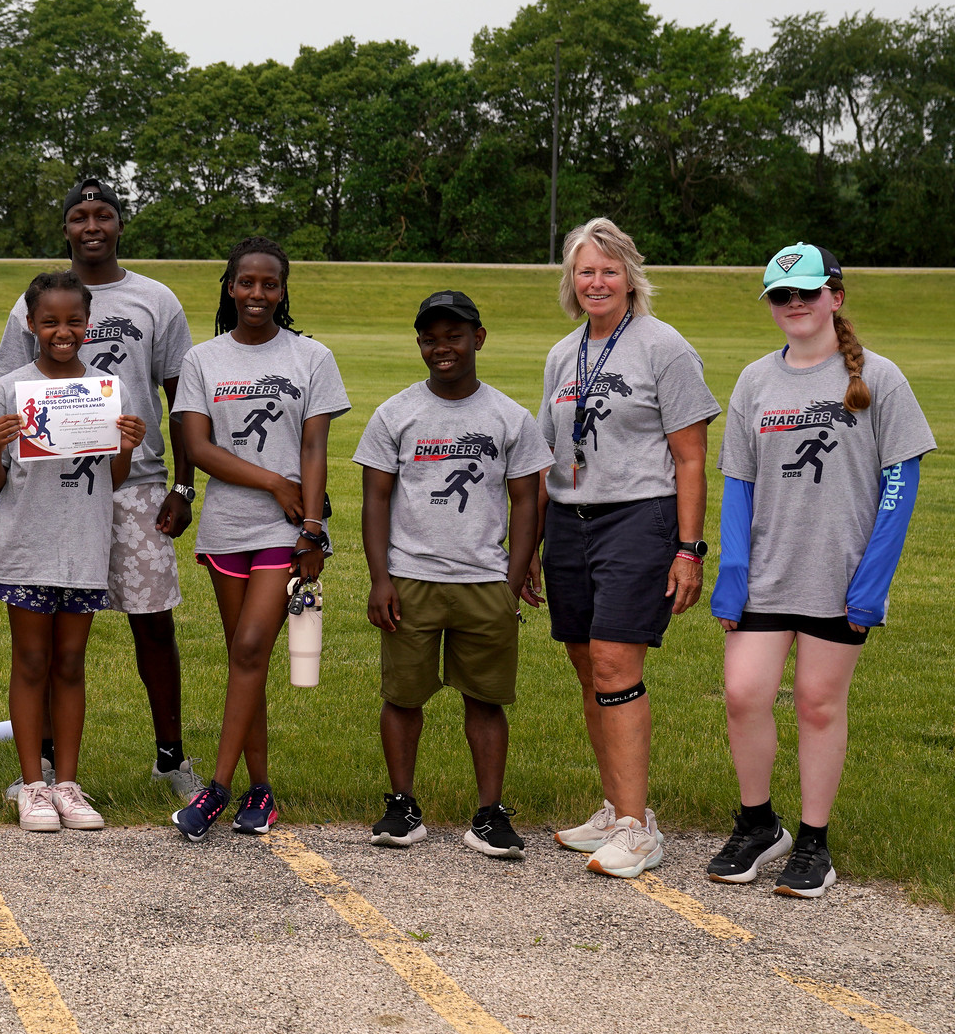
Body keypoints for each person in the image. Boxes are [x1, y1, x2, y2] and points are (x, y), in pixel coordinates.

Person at [707, 244, 934, 898]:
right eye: (781, 295)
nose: (795, 304)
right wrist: (733, 570)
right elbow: (739, 482)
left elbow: (901, 481)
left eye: (807, 291)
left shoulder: (879, 378)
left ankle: (814, 842)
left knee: (817, 704)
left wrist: (872, 580)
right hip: (768, 573)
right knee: (745, 694)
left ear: (836, 296)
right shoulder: (755, 380)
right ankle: (757, 824)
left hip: (839, 575)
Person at [0, 178, 198, 798]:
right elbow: (9, 389)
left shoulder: (154, 299)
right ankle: (47, 763)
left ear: (118, 224)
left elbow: (181, 402)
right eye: (79, 215)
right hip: (52, 491)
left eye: (103, 215)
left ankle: (170, 757)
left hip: (135, 483)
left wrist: (183, 488)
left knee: (152, 621)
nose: (92, 225)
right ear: (66, 228)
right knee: (53, 628)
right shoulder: (33, 304)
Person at [531, 218, 719, 878]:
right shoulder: (564, 354)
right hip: (569, 519)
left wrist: (689, 547)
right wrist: (531, 545)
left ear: (630, 276)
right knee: (588, 665)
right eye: (586, 270)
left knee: (615, 663)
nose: (597, 282)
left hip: (638, 517)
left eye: (609, 270)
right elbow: (548, 453)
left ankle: (639, 830)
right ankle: (617, 807)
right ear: (571, 280)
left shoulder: (663, 347)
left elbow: (690, 459)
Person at [353, 290, 550, 859]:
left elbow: (527, 502)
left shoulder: (508, 416)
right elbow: (376, 501)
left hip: (483, 580)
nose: (442, 347)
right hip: (411, 577)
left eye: (454, 336)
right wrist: (380, 578)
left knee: (485, 700)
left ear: (478, 339)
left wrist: (511, 580)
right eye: (430, 338)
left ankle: (489, 813)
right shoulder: (396, 413)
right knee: (403, 696)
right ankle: (402, 804)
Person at [168, 239, 349, 840]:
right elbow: (198, 449)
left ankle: (215, 790)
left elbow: (315, 446)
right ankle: (261, 791)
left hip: (285, 528)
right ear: (229, 286)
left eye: (269, 284)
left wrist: (312, 528)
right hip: (227, 528)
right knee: (246, 662)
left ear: (283, 290)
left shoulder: (312, 357)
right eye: (246, 282)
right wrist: (274, 480)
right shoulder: (203, 360)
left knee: (250, 650)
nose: (257, 294)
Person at [0, 271, 147, 834]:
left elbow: (116, 477)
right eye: (49, 321)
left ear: (88, 325)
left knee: (71, 664)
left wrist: (125, 445)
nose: (62, 331)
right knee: (31, 663)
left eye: (73, 321)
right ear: (30, 325)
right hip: (28, 548)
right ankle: (32, 787)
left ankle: (68, 786)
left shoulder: (106, 387)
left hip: (84, 545)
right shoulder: (10, 389)